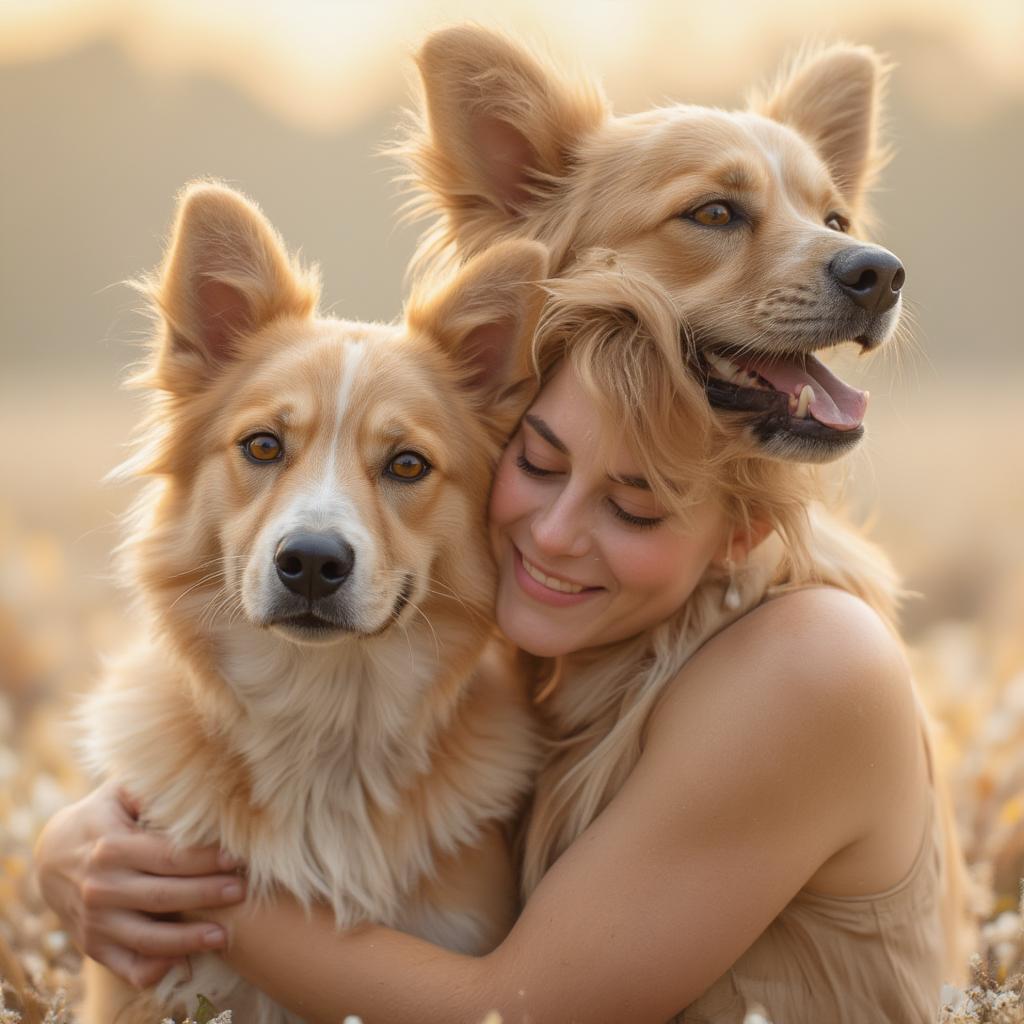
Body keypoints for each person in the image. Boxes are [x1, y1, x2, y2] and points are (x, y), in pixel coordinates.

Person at [35, 261, 966, 1022]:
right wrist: (73, 841)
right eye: (538, 463)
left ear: (737, 539)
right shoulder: (550, 667)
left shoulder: (807, 664)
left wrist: (183, 893)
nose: (552, 536)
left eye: (635, 506)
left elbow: (513, 1011)